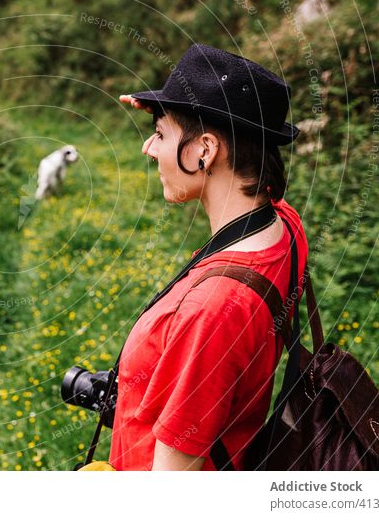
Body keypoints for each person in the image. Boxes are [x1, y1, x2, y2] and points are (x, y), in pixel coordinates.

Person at [109, 44, 309, 471]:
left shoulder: (211, 310)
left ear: (205, 150)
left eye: (159, 134)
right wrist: (169, 112)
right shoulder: (283, 227)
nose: (149, 148)